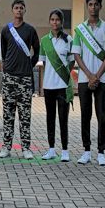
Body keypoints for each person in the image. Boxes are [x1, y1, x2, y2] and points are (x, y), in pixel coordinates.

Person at [72, 0, 105, 166]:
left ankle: (101, 152)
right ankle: (86, 151)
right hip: (84, 79)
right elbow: (76, 54)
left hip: (101, 79)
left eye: (96, 4)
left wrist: (96, 75)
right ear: (87, 6)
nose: (93, 7)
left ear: (100, 6)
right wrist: (89, 75)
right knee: (85, 115)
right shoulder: (80, 29)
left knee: (102, 116)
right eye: (90, 4)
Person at [0, 0, 40, 159]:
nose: (19, 10)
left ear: (24, 10)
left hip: (25, 79)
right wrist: (8, 67)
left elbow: (36, 51)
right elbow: (4, 52)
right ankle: (6, 147)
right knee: (8, 114)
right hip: (9, 78)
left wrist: (28, 66)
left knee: (25, 115)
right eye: (16, 7)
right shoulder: (6, 30)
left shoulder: (30, 30)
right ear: (12, 10)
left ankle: (26, 148)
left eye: (21, 8)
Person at [38, 9, 73, 163]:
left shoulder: (68, 40)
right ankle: (51, 149)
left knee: (63, 119)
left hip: (63, 85)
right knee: (50, 118)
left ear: (61, 22)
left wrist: (64, 74)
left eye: (57, 19)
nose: (55, 22)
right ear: (49, 21)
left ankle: (65, 150)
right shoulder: (44, 40)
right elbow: (44, 63)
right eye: (52, 19)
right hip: (49, 86)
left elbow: (72, 61)